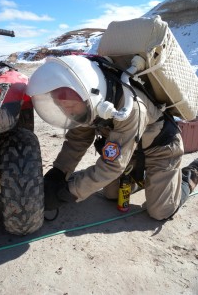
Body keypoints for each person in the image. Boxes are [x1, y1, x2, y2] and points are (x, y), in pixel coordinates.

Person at [26, 54, 198, 220]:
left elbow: (112, 167)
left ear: (89, 97)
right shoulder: (88, 104)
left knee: (161, 211)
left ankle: (191, 173)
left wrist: (67, 193)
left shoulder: (130, 108)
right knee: (112, 194)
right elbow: (77, 141)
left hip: (160, 150)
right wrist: (58, 172)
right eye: (62, 106)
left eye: (71, 106)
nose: (68, 112)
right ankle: (148, 179)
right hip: (130, 150)